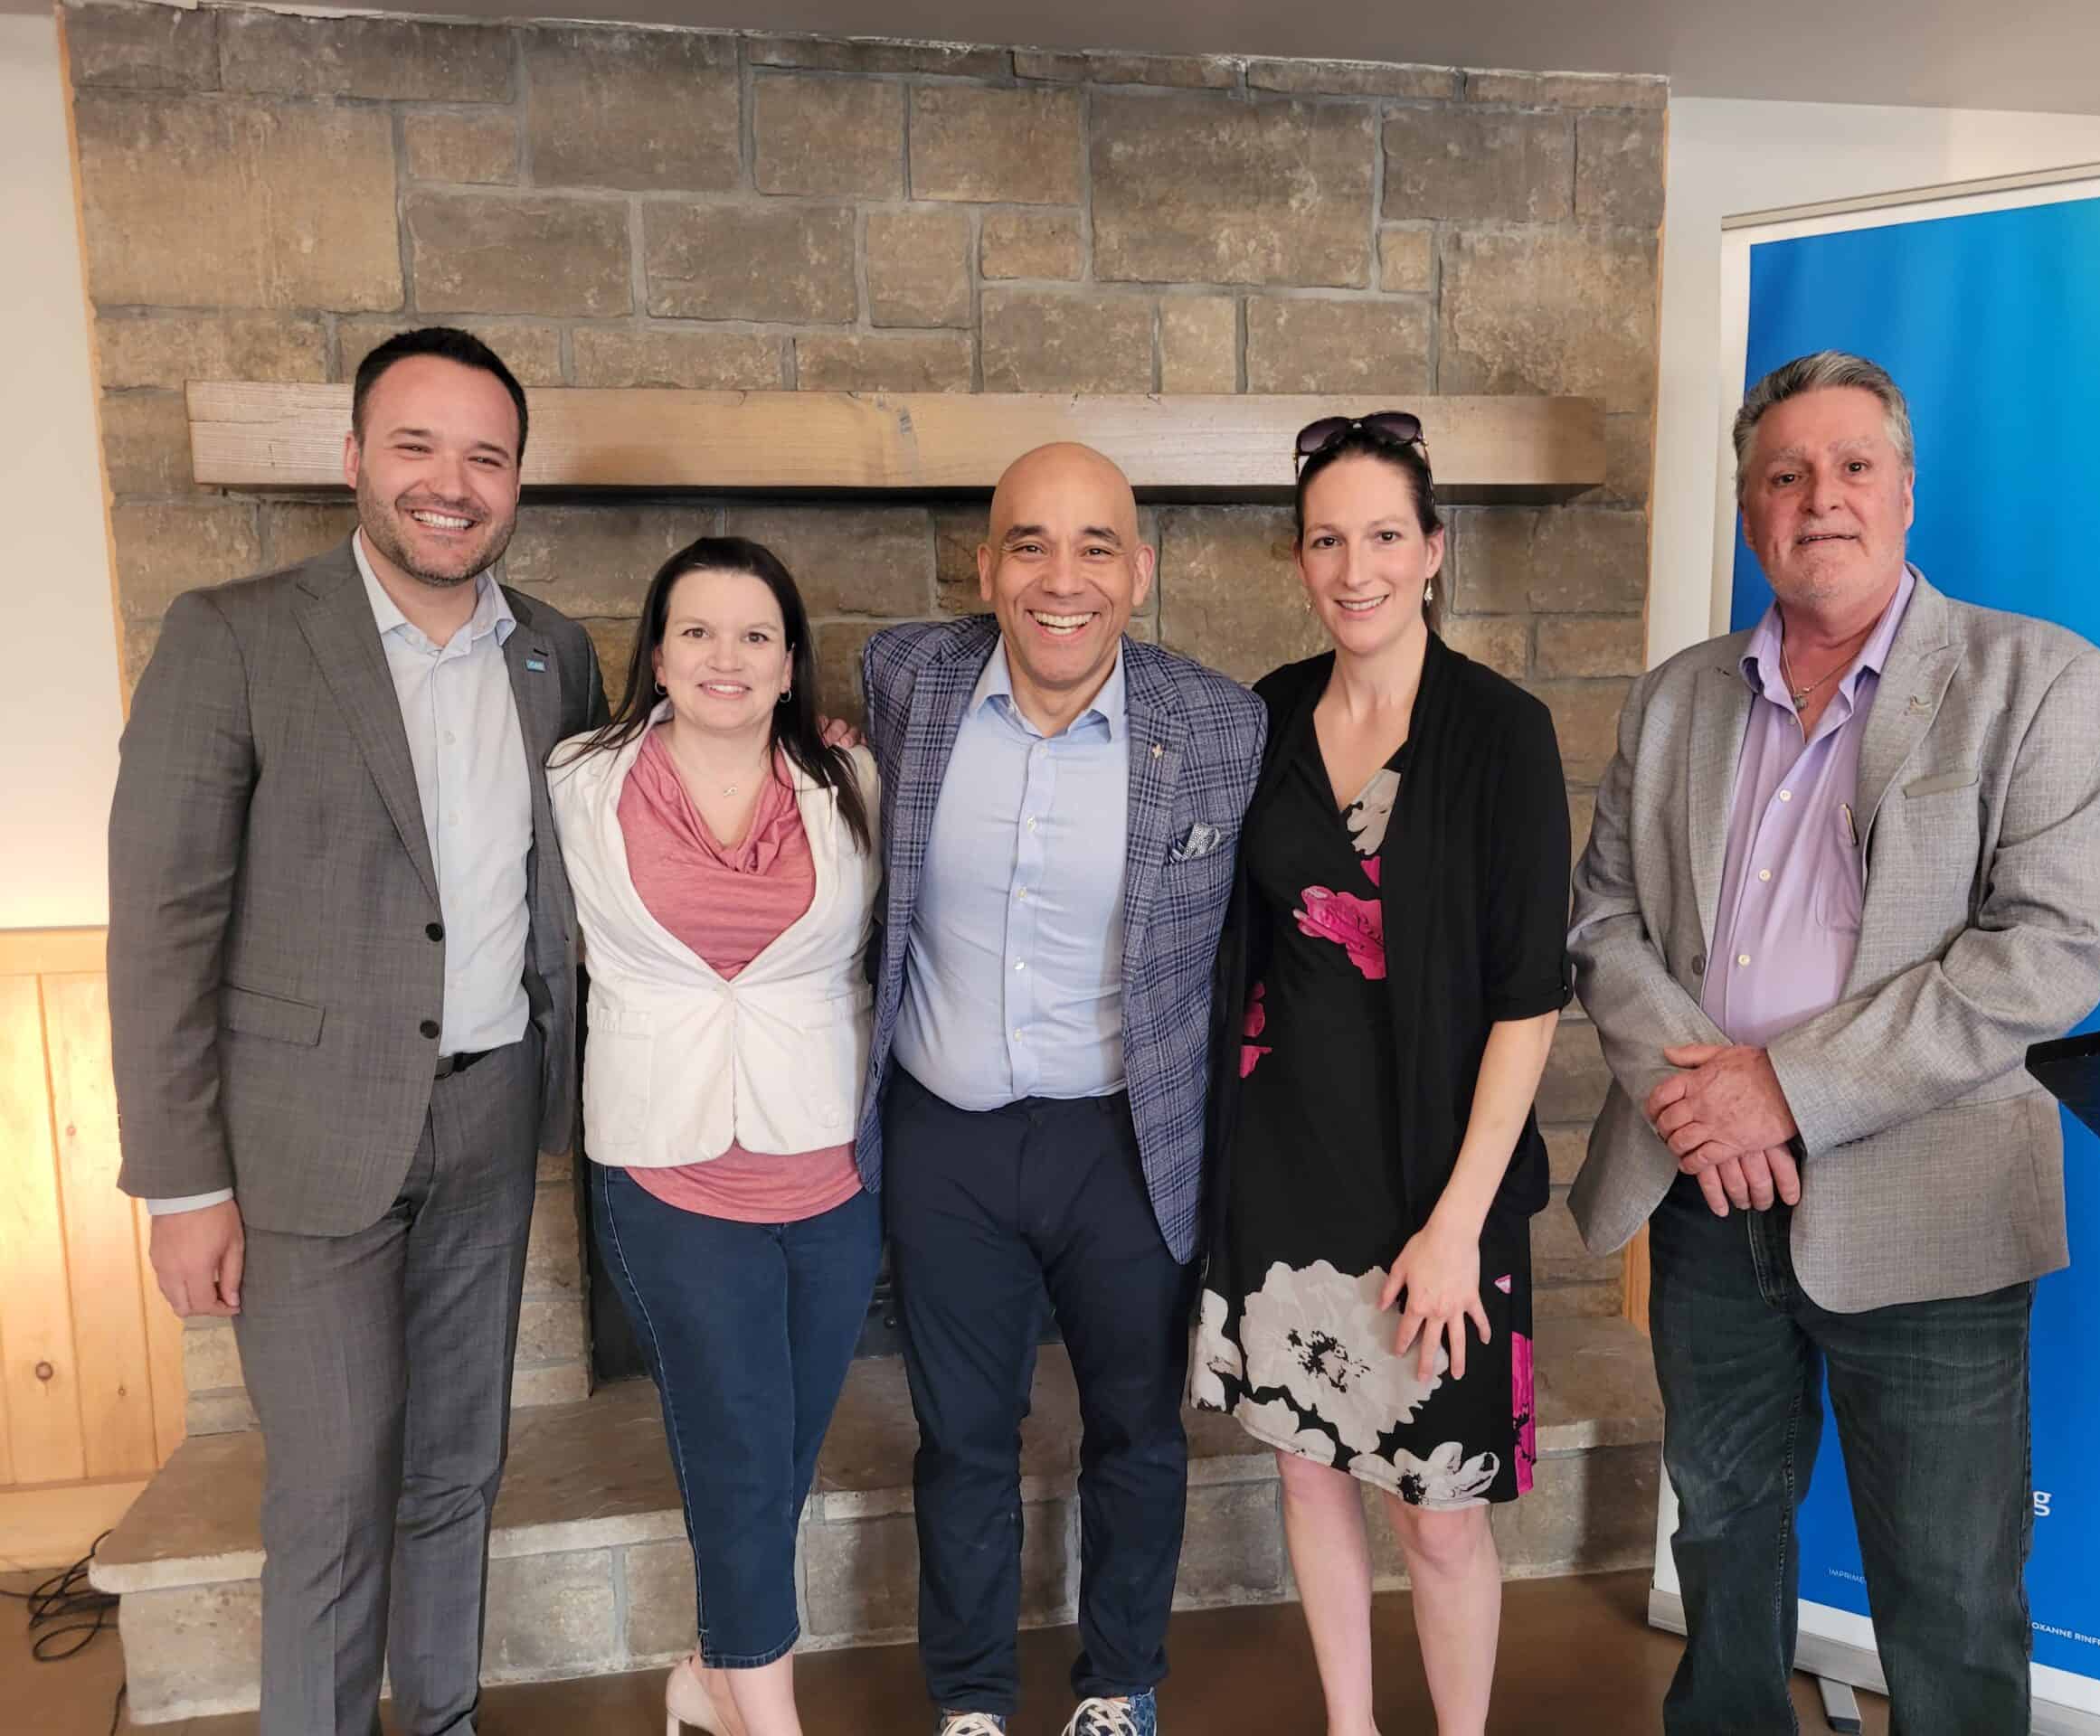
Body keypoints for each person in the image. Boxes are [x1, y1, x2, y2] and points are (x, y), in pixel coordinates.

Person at [1567, 351, 2100, 1733]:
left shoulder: (2040, 681)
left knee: (1949, 1593)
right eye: (1785, 474)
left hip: (1929, 1205)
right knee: (1722, 1536)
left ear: (1906, 491)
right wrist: (1704, 1106)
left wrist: (1786, 1091)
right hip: (1705, 1197)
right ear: (1751, 509)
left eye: (1852, 467)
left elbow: (2044, 952)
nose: (1819, 497)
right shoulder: (1675, 695)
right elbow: (1604, 920)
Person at [108, 328, 603, 1736]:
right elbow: (163, 925)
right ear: (354, 461)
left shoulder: (555, 654)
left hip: (492, 1117)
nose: (452, 484)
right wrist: (183, 1186)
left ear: (517, 482)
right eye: (416, 446)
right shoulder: (235, 635)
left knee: (457, 1470)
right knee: (330, 1494)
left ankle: (440, 1719)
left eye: (486, 457)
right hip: (302, 1142)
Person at [856, 443, 1266, 1736]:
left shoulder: (1220, 725)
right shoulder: (904, 679)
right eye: (1029, 544)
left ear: (1138, 572)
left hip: (1126, 1140)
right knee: (961, 1438)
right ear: (985, 569)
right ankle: (971, 1700)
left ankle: (1118, 1686)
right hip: (946, 1136)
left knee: (1137, 1430)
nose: (1061, 578)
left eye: (1095, 547)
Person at [1191, 412, 1572, 1736]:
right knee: (1308, 1474)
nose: (1356, 570)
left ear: (1434, 550)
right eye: (1327, 541)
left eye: (1385, 537)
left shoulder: (1503, 732)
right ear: (1300, 557)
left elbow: (1529, 1001)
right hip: (1282, 1170)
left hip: (1437, 1188)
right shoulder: (1264, 715)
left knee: (1441, 1513)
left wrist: (1459, 1226)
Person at [546, 537, 882, 1736]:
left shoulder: (855, 781)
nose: (723, 657)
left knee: (779, 1454)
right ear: (657, 653)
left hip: (830, 1169)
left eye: (754, 635)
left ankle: (706, 1676)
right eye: (696, 631)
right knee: (738, 1451)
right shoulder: (579, 779)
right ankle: (768, 1718)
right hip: (670, 1168)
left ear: (790, 664)